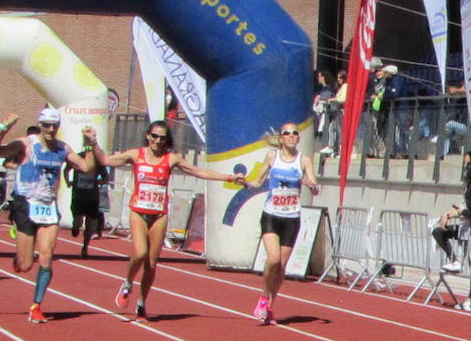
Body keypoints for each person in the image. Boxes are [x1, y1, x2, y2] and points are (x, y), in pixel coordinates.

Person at [97, 119, 230, 320]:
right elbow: (105, 161)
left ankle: (142, 301)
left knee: (152, 261)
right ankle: (127, 282)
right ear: (148, 136)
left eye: (162, 138)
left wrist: (227, 177)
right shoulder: (136, 155)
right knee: (140, 253)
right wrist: (92, 143)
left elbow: (198, 171)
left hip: (159, 214)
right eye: (155, 136)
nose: (158, 141)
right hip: (139, 212)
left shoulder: (170, 159)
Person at [0, 107, 99, 323]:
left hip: (48, 206)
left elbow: (87, 167)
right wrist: (3, 128)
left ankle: (36, 306)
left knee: (47, 257)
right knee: (26, 264)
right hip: (26, 204)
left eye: (54, 126)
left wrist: (92, 144)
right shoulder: (26, 144)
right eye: (46, 125)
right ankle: (20, 258)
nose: (50, 129)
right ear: (40, 125)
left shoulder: (62, 149)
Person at [241, 123, 319, 325]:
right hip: (271, 215)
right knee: (273, 259)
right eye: (287, 133)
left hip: (291, 218)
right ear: (281, 138)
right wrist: (246, 183)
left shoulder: (304, 160)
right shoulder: (271, 157)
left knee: (281, 266)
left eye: (295, 133)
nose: (292, 136)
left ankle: (269, 307)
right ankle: (263, 297)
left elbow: (315, 186)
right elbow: (258, 182)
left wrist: (312, 185)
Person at [431, 150, 471, 311]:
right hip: (465, 229)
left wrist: (458, 212)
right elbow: (467, 208)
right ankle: (456, 260)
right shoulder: (469, 187)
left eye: (469, 166)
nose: (467, 170)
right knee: (439, 232)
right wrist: (454, 212)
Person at [64, 142, 107, 258]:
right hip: (78, 195)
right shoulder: (78, 157)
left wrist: (96, 182)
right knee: (78, 221)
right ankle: (76, 226)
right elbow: (66, 170)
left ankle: (85, 247)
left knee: (90, 225)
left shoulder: (98, 162)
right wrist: (68, 182)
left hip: (92, 197)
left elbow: (105, 178)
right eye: (87, 147)